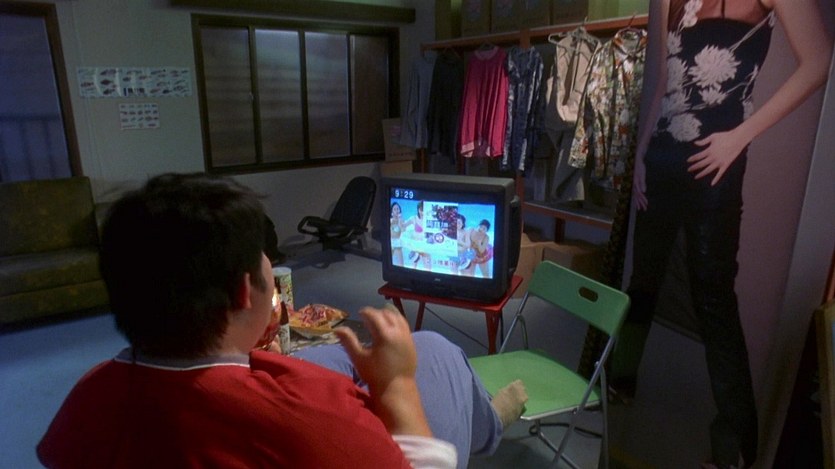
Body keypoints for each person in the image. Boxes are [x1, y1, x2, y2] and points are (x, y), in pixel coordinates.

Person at [36, 173, 528, 469]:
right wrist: (396, 384)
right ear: (242, 291)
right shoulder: (302, 421)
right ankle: (486, 421)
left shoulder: (88, 394)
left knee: (338, 354)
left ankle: (477, 413)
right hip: (322, 416)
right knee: (434, 351)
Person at [609, 1, 832, 468]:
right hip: (661, 160)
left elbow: (817, 61)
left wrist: (740, 136)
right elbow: (663, 82)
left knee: (714, 301)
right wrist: (643, 152)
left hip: (716, 164)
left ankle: (735, 444)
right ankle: (617, 382)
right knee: (643, 281)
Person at [390, 201, 405, 266]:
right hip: (390, 242)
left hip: (397, 242)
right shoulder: (390, 221)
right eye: (395, 209)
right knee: (388, 260)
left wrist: (399, 221)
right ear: (392, 212)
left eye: (398, 209)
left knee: (401, 263)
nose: (397, 211)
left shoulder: (401, 220)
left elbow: (403, 230)